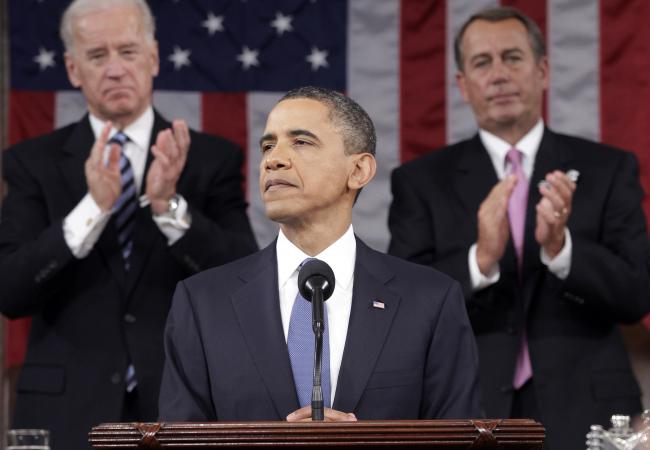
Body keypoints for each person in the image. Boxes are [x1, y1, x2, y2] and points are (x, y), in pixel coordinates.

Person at [388, 6, 650, 450]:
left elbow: (637, 294)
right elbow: (404, 310)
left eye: (512, 57)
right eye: (482, 62)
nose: (499, 75)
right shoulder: (421, 181)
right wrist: (480, 260)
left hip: (587, 411)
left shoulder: (607, 168)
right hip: (467, 409)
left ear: (543, 70)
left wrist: (562, 249)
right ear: (463, 85)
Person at [0, 0, 257, 448]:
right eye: (97, 56)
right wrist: (92, 210)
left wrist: (168, 207)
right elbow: (11, 291)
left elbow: (245, 283)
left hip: (181, 408)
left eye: (128, 52)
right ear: (72, 69)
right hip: (67, 413)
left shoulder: (210, 160)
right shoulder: (31, 162)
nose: (115, 69)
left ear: (154, 58)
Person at [158, 86, 481, 422]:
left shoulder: (430, 300)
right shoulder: (202, 303)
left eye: (301, 142)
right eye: (268, 145)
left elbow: (459, 436)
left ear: (359, 171)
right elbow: (179, 440)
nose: (273, 159)